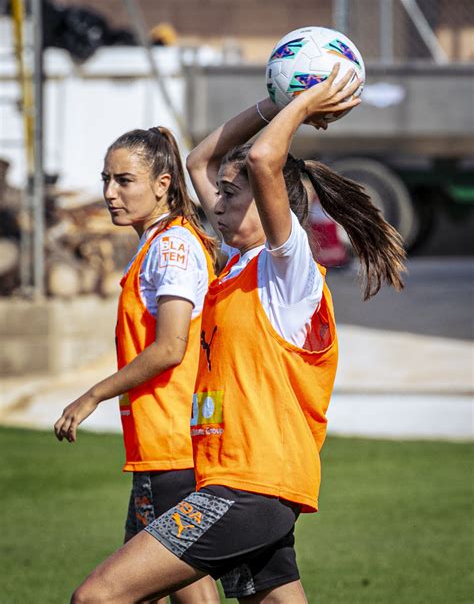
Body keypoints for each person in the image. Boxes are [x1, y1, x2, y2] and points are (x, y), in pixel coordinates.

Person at [69, 64, 406, 604]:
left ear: (274, 206)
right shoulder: (235, 267)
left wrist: (305, 103)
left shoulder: (288, 268)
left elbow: (264, 158)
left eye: (230, 195)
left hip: (249, 488)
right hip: (239, 483)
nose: (216, 203)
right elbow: (200, 159)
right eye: (218, 194)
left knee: (97, 597)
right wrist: (273, 103)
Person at [54, 126, 220, 604]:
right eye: (106, 179)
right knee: (181, 585)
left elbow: (171, 346)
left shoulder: (171, 248)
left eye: (124, 180)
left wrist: (93, 394)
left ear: (162, 184)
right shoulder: (161, 243)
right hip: (168, 446)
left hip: (172, 446)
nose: (110, 192)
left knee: (108, 596)